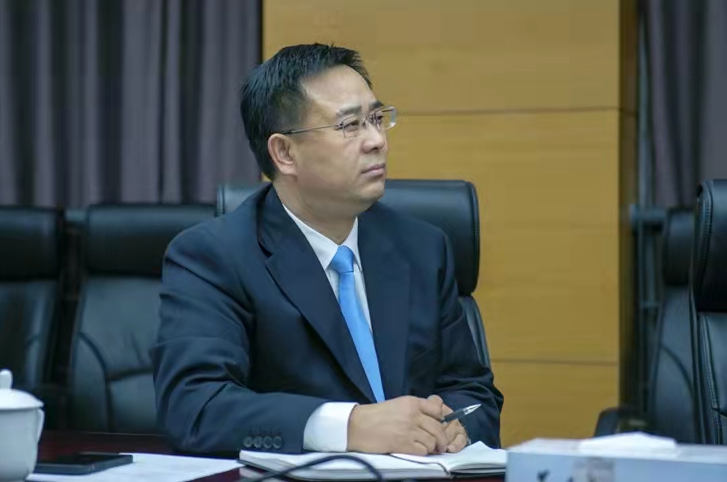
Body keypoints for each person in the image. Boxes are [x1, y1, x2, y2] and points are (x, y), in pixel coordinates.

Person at [152, 43, 503, 457]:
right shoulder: (214, 256)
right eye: (350, 125)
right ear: (284, 153)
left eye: (376, 119)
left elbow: (473, 392)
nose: (377, 140)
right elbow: (195, 408)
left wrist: (457, 427)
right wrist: (348, 427)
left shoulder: (422, 248)